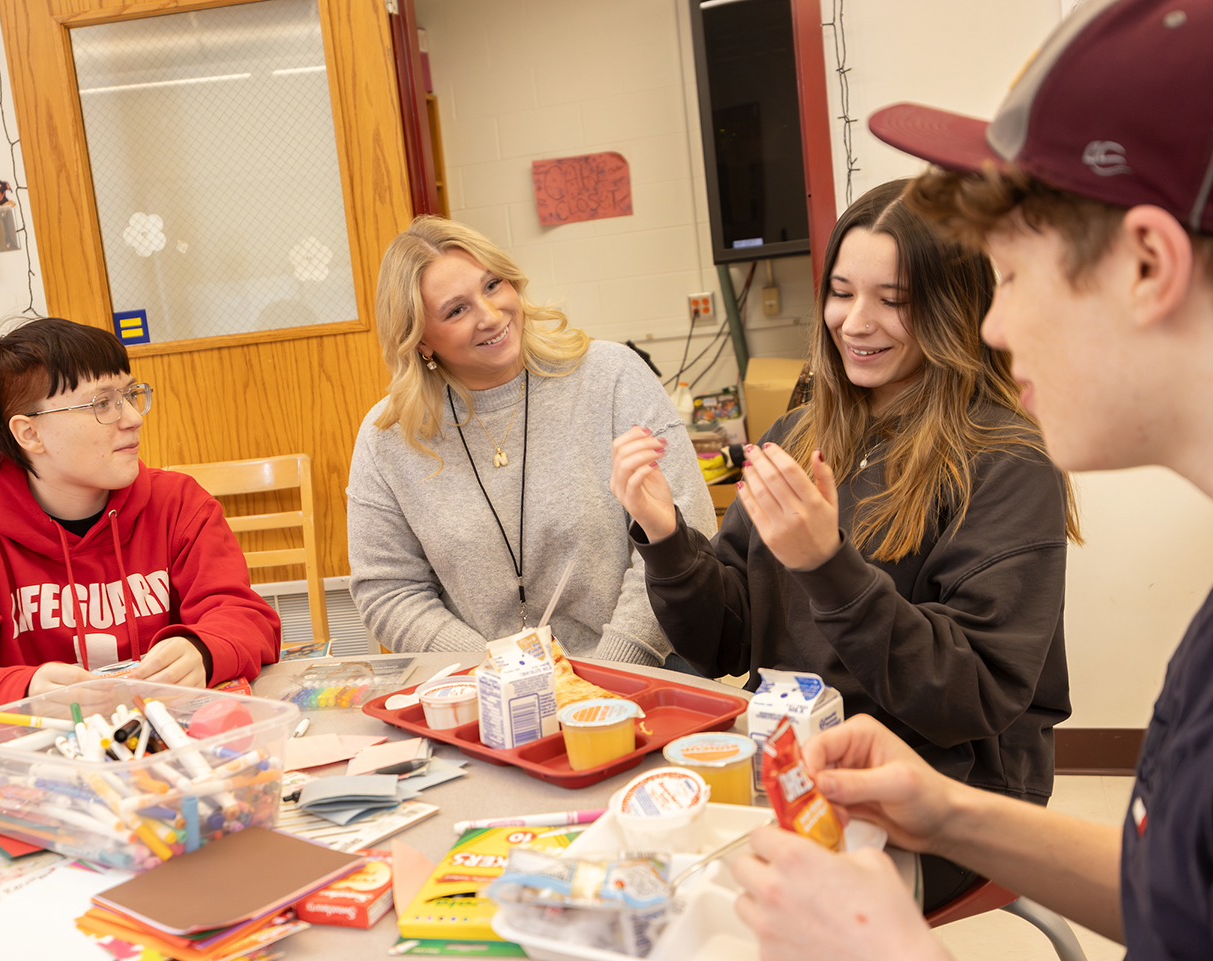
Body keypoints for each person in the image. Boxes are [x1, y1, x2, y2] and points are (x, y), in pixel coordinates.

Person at [725, 1, 1213, 957]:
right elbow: (1178, 898)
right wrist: (948, 811)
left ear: (1149, 263)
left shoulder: (1002, 457)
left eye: (1014, 277)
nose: (991, 330)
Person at [611, 179, 1080, 906]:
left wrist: (827, 568)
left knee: (746, 914)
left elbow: (971, 697)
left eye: (894, 300)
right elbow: (724, 642)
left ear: (957, 309)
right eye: (840, 292)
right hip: (794, 758)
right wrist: (668, 537)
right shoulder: (797, 434)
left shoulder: (1008, 461)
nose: (855, 322)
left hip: (949, 788)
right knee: (640, 881)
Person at [347, 216, 717, 665]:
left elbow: (686, 538)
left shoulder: (612, 377)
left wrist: (608, 675)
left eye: (493, 285)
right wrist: (498, 671)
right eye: (456, 310)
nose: (490, 316)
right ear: (421, 339)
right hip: (487, 691)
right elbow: (388, 590)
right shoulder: (387, 437)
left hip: (638, 675)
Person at [0, 318, 280, 737]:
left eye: (131, 395)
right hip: (44, 774)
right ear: (30, 433)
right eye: (102, 404)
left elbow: (247, 618)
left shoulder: (179, 504)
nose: (133, 418)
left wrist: (204, 651)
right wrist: (25, 692)